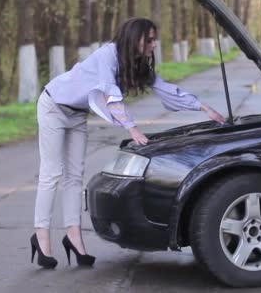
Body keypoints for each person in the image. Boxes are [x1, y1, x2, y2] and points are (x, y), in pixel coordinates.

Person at [30, 17, 226, 268]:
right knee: (52, 173)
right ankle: (42, 236)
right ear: (136, 38)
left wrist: (202, 106)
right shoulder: (107, 55)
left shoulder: (135, 63)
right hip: (53, 106)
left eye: (155, 40)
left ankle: (74, 236)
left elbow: (165, 88)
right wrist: (131, 127)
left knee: (75, 176)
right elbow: (110, 94)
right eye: (150, 39)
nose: (154, 45)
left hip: (77, 114)